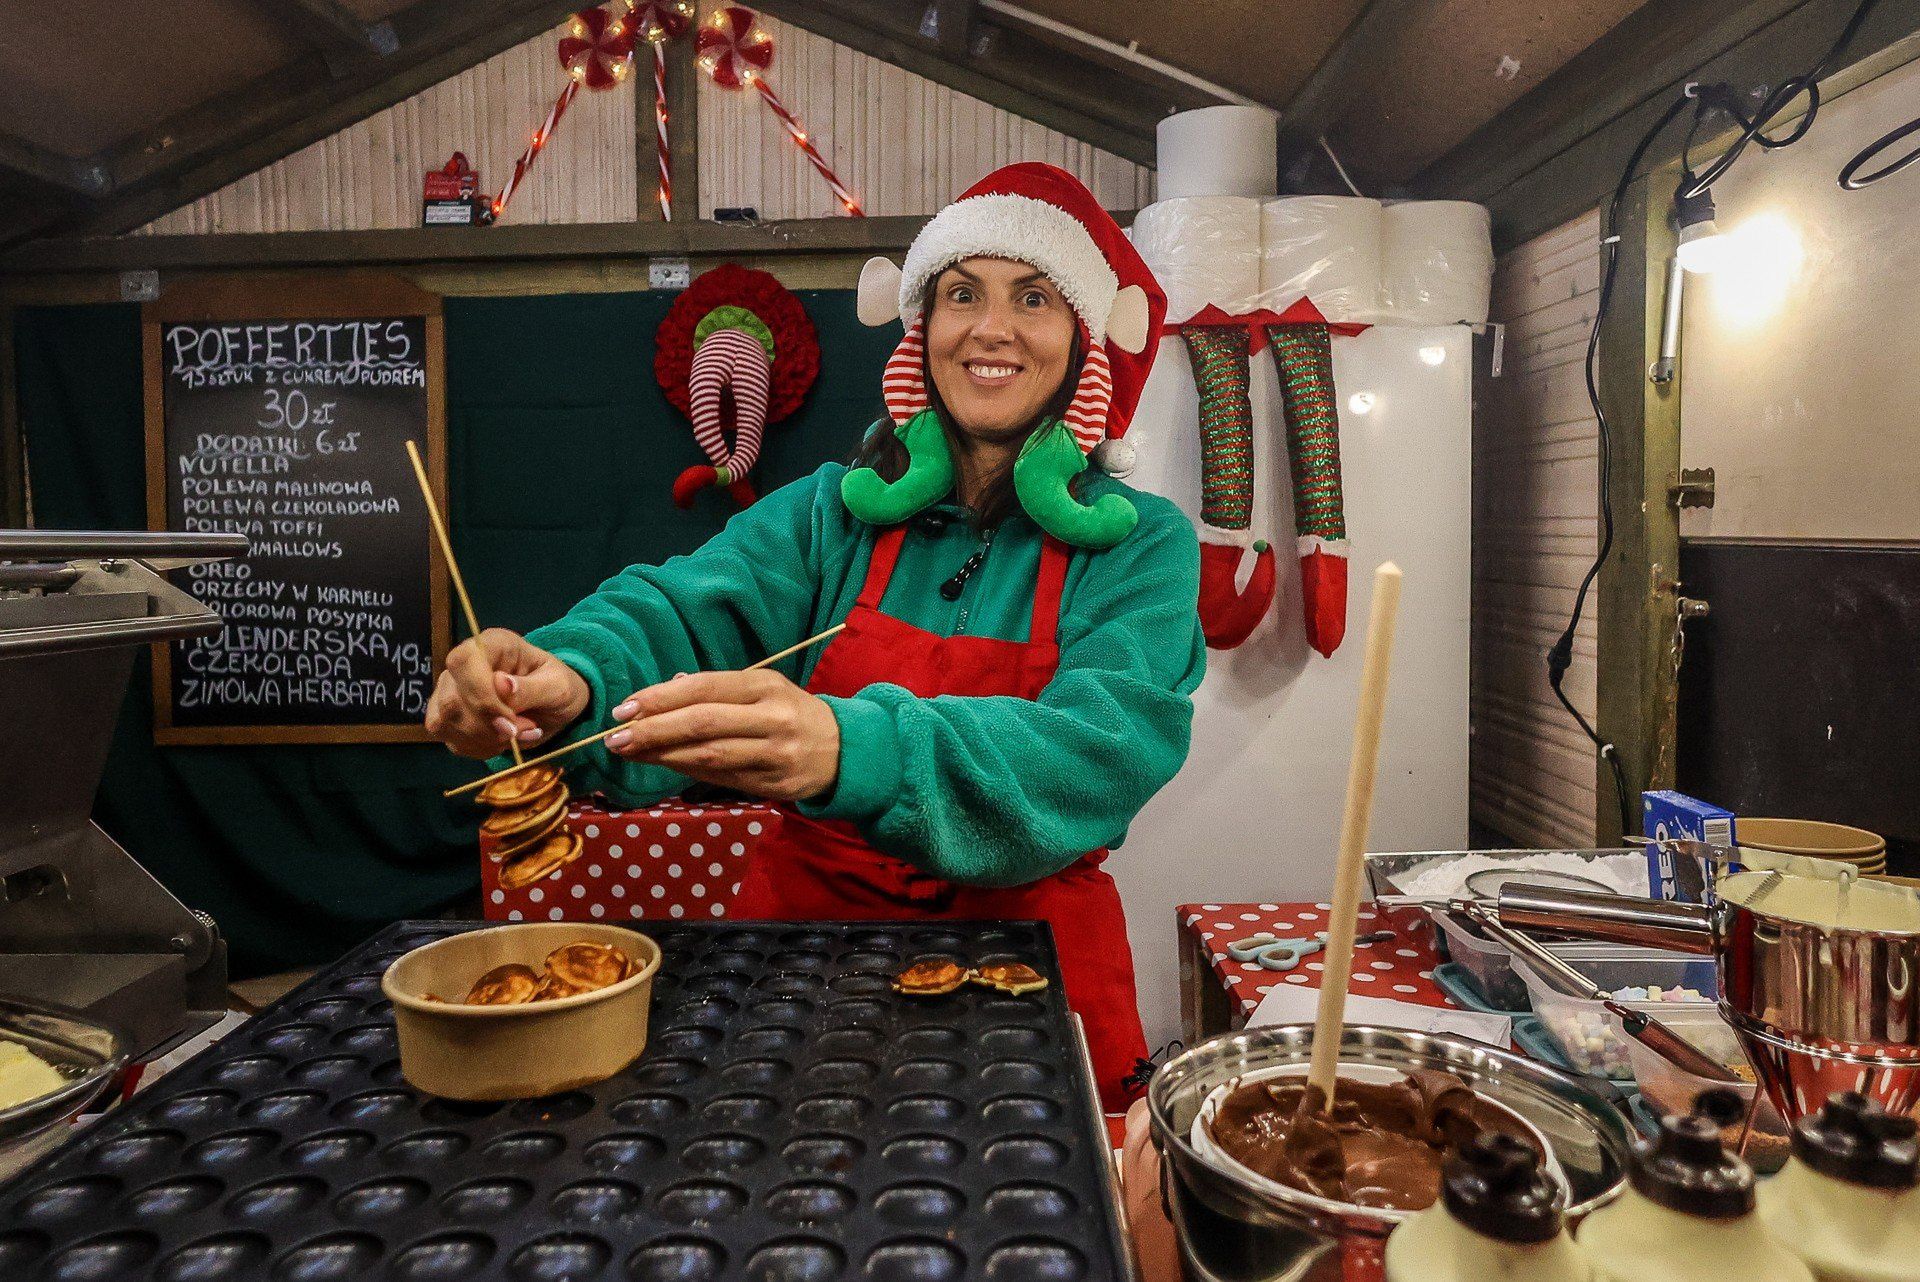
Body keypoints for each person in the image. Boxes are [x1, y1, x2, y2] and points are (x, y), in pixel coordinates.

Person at [425, 164, 1205, 1107]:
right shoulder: (828, 517)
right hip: (799, 954)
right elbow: (681, 612)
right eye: (962, 293)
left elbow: (1103, 747)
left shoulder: (1140, 546)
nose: (990, 328)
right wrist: (571, 677)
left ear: (1084, 337)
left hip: (1037, 956)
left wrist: (850, 746)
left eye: (1033, 298)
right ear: (924, 327)